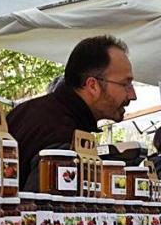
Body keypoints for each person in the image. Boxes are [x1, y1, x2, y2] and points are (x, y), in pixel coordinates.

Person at [9, 35, 136, 187]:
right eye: (125, 84)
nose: (132, 95)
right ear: (92, 86)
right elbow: (45, 206)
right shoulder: (61, 133)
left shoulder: (31, 111)